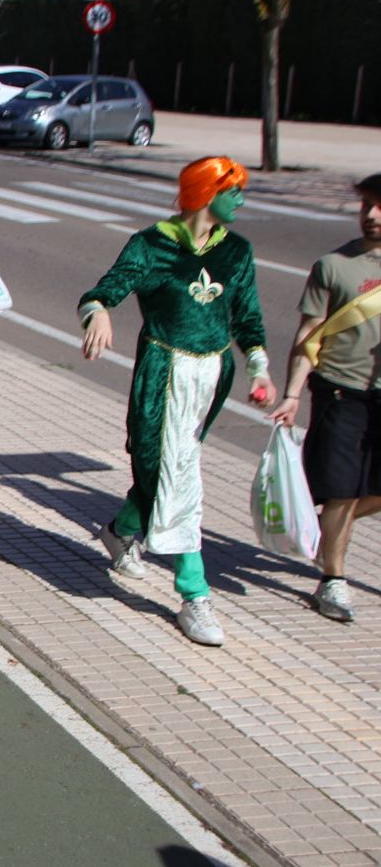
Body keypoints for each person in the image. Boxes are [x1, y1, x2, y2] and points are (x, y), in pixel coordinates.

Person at [81, 156, 276, 647]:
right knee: (169, 471)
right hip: (163, 372)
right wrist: (98, 312)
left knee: (176, 471)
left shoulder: (237, 251)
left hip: (210, 377)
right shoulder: (151, 245)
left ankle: (125, 533)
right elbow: (102, 292)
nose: (241, 200)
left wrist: (259, 368)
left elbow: (247, 316)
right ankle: (194, 592)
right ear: (208, 193)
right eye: (234, 191)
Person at [269, 173, 381, 623]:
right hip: (340, 390)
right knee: (342, 490)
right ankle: (333, 579)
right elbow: (308, 334)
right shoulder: (333, 266)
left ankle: (324, 529)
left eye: (379, 206)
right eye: (366, 205)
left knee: (362, 496)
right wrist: (292, 393)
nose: (371, 215)